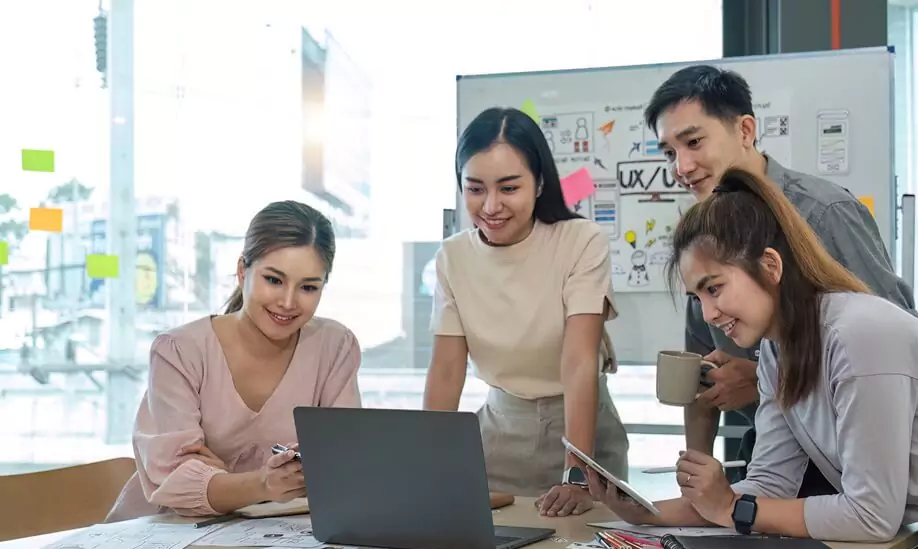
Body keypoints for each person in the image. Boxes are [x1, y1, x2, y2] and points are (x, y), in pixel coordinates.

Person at [592, 167, 918, 549]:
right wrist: (648, 514)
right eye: (697, 298)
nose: (708, 314)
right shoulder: (777, 354)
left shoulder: (859, 334)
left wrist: (734, 509)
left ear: (770, 266)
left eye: (714, 288)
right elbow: (770, 484)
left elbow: (872, 515)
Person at [645, 64, 916, 494]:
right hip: (776, 458)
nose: (682, 166)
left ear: (745, 130)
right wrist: (695, 490)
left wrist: (758, 379)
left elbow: (897, 349)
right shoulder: (703, 231)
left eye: (694, 142)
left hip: (857, 458)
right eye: (668, 153)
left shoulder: (822, 213)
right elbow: (698, 366)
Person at [424, 107, 628, 518]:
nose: (491, 205)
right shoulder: (453, 257)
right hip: (500, 434)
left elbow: (579, 361)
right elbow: (447, 370)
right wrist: (426, 465)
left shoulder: (580, 241)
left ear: (538, 184)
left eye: (509, 188)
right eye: (475, 188)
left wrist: (578, 471)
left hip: (583, 433)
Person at [106, 200, 362, 522]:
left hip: (268, 535)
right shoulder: (178, 351)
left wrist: (221, 477)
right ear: (243, 271)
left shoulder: (335, 346)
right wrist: (263, 482)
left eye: (308, 287)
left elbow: (343, 462)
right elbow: (176, 482)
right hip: (164, 530)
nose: (288, 302)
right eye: (273, 280)